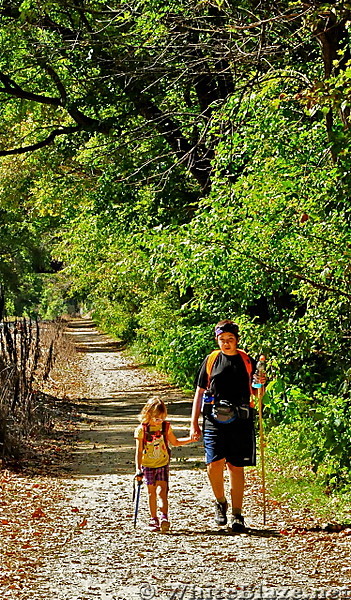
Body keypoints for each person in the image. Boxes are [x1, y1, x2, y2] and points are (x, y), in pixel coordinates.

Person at [190, 319, 265, 533]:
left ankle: (237, 514)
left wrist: (262, 383)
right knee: (213, 464)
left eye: (230, 339)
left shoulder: (246, 361)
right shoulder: (211, 360)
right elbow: (200, 392)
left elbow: (257, 393)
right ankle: (220, 501)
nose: (226, 343)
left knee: (235, 466)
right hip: (214, 418)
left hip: (240, 419)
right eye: (222, 340)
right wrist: (193, 422)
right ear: (217, 340)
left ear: (237, 340)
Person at [134, 396, 194, 532]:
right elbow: (138, 451)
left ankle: (164, 517)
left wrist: (190, 439)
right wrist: (138, 469)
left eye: (161, 418)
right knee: (151, 493)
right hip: (147, 465)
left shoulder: (165, 427)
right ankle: (153, 518)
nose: (159, 421)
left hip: (162, 463)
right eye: (156, 418)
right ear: (148, 414)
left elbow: (175, 442)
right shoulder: (141, 430)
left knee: (162, 492)